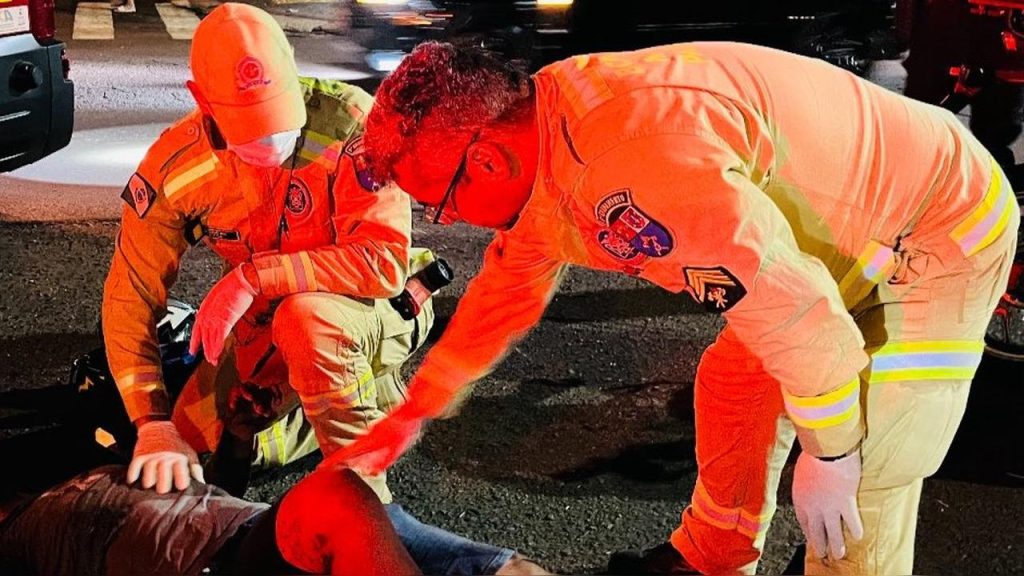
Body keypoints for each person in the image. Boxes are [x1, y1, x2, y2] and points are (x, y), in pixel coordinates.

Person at [326, 41, 1020, 575]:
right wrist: (414, 412)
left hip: (936, 226)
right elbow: (502, 296)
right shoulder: (543, 127)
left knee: (870, 470)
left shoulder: (631, 163)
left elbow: (797, 317)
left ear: (484, 164)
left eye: (439, 201)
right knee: (732, 387)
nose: (447, 218)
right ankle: (713, 558)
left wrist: (832, 450)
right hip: (848, 228)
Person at [100, 2, 434, 507]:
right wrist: (151, 421)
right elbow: (131, 295)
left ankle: (371, 507)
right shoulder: (177, 168)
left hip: (371, 302)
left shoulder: (350, 122)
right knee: (192, 451)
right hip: (264, 324)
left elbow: (383, 263)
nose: (273, 139)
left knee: (309, 323)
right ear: (202, 102)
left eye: (280, 115)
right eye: (250, 127)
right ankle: (360, 397)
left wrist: (254, 277)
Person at [0, 383, 546, 576]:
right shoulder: (22, 542)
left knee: (505, 569)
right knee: (335, 495)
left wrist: (238, 438)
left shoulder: (112, 471)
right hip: (215, 564)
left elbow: (216, 495)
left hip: (259, 532)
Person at [898, 0, 1024, 360]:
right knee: (983, 144)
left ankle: (958, 258)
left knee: (928, 138)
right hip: (980, 32)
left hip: (967, 30)